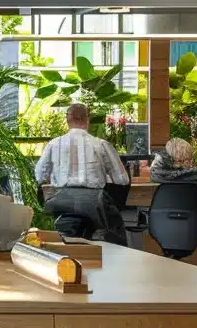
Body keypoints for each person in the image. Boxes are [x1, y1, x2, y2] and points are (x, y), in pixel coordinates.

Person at [34, 103, 131, 245]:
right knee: (114, 233)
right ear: (87, 120)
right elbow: (122, 179)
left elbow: (39, 175)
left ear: (68, 120)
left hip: (61, 202)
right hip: (93, 203)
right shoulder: (101, 145)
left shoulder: (54, 144)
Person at [150, 137, 197, 203]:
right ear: (181, 160)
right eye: (189, 159)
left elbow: (154, 173)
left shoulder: (158, 176)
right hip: (192, 211)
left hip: (163, 211)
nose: (191, 163)